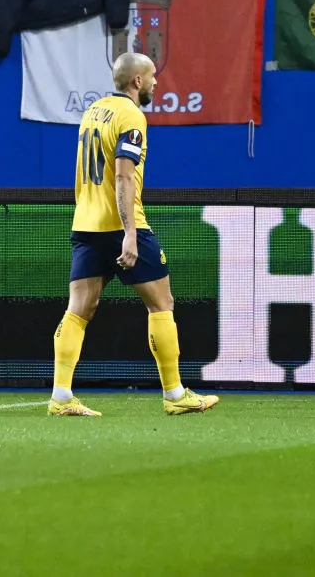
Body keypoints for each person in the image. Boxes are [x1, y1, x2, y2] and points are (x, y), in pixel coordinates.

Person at [49, 51, 219, 418]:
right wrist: (129, 233)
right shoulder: (131, 115)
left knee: (79, 310)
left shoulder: (93, 112)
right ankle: (175, 394)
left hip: (86, 223)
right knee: (162, 304)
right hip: (123, 224)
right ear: (137, 81)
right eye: (153, 75)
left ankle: (61, 396)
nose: (157, 81)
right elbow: (124, 175)